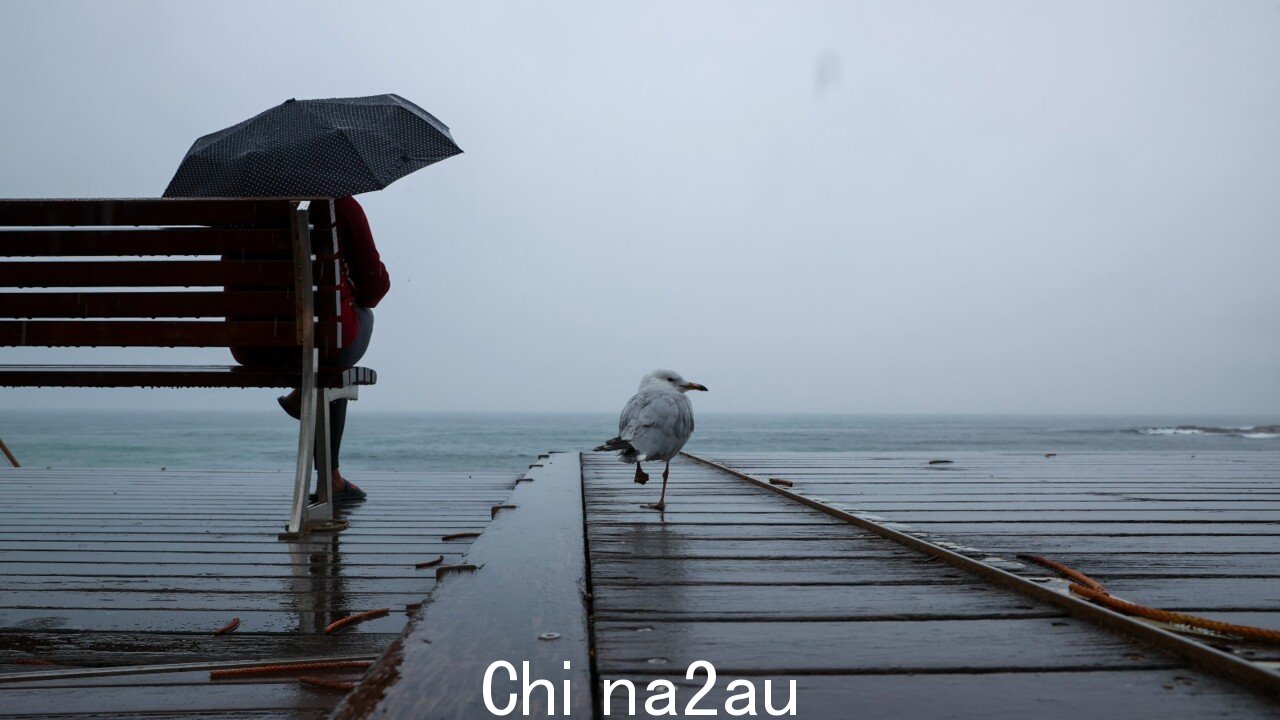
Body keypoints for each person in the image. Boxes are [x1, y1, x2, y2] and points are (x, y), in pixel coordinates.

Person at [230, 196, 390, 502]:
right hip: (326, 343)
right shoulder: (337, 204)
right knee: (345, 331)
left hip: (253, 345)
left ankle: (303, 396)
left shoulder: (241, 207)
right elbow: (373, 288)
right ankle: (330, 479)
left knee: (326, 346)